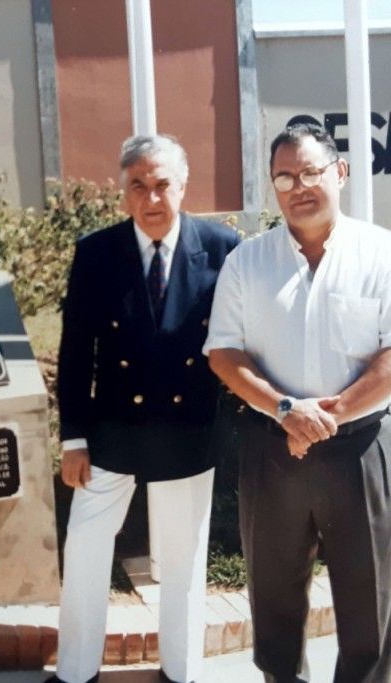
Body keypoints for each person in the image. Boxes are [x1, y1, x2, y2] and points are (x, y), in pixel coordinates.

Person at [205, 122, 391, 683]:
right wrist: (288, 411)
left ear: (340, 172)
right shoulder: (247, 263)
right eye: (284, 177)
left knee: (371, 599)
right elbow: (223, 353)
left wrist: (322, 419)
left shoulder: (381, 252)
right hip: (272, 450)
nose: (299, 186)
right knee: (274, 597)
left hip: (360, 449)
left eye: (311, 171)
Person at [51, 135, 238, 683]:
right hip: (111, 429)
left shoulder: (222, 247)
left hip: (187, 428)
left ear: (183, 187)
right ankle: (74, 672)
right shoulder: (96, 252)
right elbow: (74, 350)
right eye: (139, 186)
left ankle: (182, 673)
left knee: (182, 562)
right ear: (124, 192)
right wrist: (73, 437)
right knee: (85, 549)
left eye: (162, 185)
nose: (152, 198)